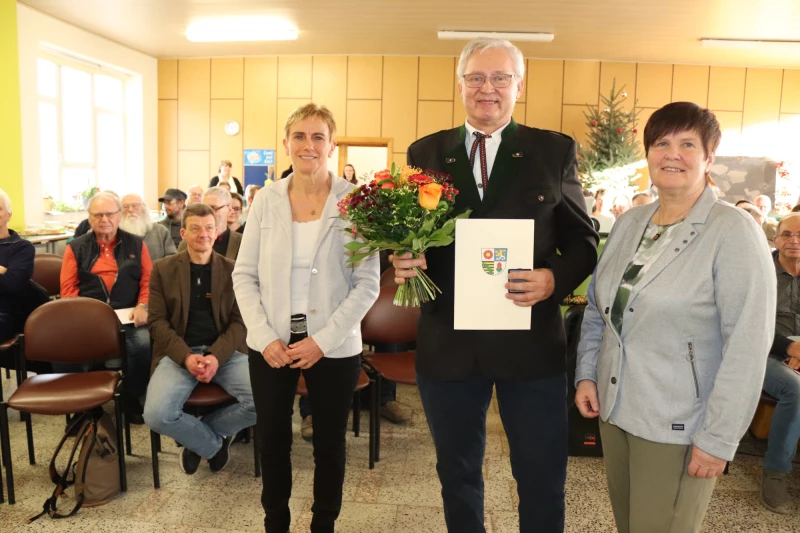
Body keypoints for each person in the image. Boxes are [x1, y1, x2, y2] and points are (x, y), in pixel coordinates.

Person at [393, 38, 598, 533]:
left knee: (541, 473)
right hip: (449, 344)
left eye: (501, 78)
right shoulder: (427, 151)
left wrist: (553, 279)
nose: (488, 88)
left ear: (519, 85)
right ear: (460, 84)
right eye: (477, 78)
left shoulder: (554, 149)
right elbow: (404, 232)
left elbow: (583, 239)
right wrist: (399, 257)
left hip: (529, 343)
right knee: (457, 473)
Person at [575, 102, 776, 533]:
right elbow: (598, 308)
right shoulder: (630, 224)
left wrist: (719, 438)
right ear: (647, 153)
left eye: (688, 144)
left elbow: (747, 344)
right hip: (617, 410)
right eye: (661, 142)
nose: (672, 154)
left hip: (680, 424)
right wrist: (587, 373)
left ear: (709, 157)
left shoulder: (733, 232)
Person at [232, 103, 380, 533]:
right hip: (272, 343)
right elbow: (244, 275)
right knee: (273, 441)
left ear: (332, 146)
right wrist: (263, 337)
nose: (308, 145)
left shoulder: (355, 202)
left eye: (318, 137)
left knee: (329, 445)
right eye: (300, 136)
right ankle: (275, 522)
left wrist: (324, 340)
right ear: (286, 144)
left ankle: (323, 526)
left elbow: (367, 284)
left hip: (333, 346)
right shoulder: (266, 200)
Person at [144, 203, 256, 476]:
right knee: (156, 415)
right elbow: (156, 322)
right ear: (183, 233)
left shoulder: (234, 270)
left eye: (208, 228)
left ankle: (198, 440)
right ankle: (213, 444)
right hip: (179, 354)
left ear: (217, 232)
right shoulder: (163, 270)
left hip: (226, 354)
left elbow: (241, 322)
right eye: (195, 228)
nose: (202, 234)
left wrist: (215, 356)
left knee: (266, 401)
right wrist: (186, 357)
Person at [60, 192, 154, 423]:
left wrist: (143, 305)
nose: (105, 219)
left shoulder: (136, 244)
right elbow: (68, 288)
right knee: (69, 346)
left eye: (110, 214)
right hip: (89, 315)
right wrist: (83, 314)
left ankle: (131, 398)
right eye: (98, 215)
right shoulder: (75, 248)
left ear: (119, 216)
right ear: (89, 219)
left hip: (128, 313)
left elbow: (148, 281)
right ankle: (82, 405)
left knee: (142, 343)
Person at [760, 212, 800, 514]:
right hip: (762, 352)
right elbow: (749, 323)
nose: (794, 241)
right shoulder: (760, 271)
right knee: (795, 389)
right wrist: (789, 347)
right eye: (787, 234)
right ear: (776, 239)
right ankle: (776, 471)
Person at [0, 188, 36, 340]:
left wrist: (7, 276)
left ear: (9, 214)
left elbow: (11, 285)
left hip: (7, 314)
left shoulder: (22, 248)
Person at [178, 187, 241, 260]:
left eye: (213, 208)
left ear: (229, 209)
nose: (208, 214)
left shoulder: (242, 242)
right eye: (204, 208)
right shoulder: (187, 242)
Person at [121, 194, 176, 261]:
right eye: (125, 207)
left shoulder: (160, 231)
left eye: (135, 206)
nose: (130, 210)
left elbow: (172, 259)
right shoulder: (113, 233)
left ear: (144, 209)